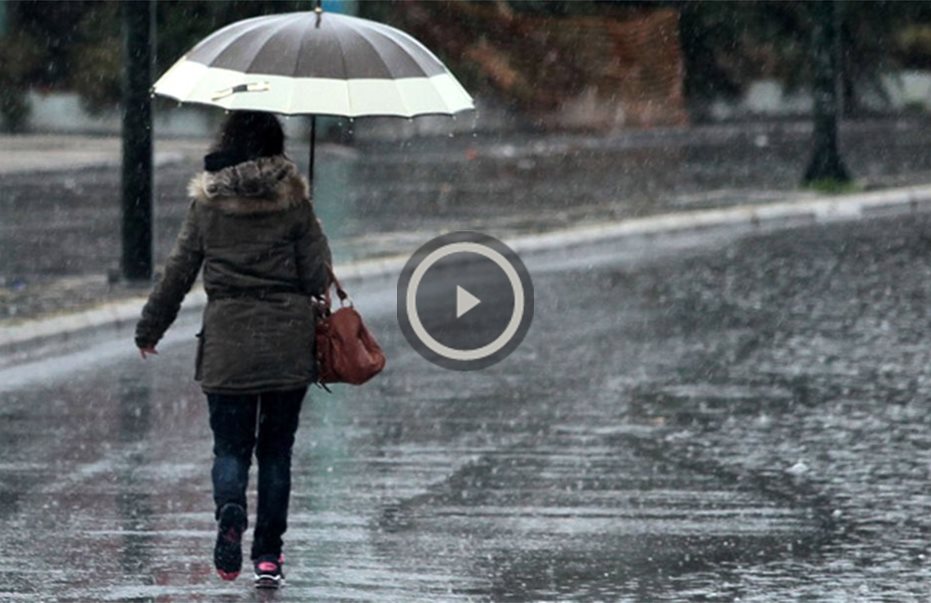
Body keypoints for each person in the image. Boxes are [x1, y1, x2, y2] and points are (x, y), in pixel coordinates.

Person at [134, 111, 332, 589]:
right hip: (287, 341)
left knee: (230, 448)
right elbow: (315, 276)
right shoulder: (294, 201)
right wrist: (309, 219)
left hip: (228, 341)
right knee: (277, 452)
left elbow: (178, 272)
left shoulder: (209, 202)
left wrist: (150, 328)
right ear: (275, 146)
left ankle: (230, 508)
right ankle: (268, 556)